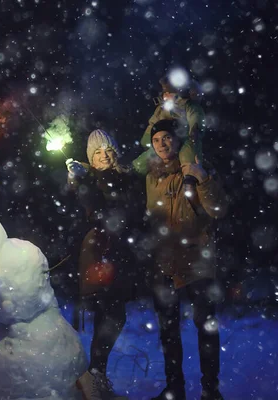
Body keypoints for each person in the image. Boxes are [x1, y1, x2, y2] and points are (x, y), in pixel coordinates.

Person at [145, 119, 228, 400]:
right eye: (156, 140)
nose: (161, 144)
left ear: (178, 140)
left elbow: (218, 209)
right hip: (165, 263)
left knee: (205, 327)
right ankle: (174, 388)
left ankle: (210, 390)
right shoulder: (152, 176)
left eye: (167, 137)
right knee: (168, 331)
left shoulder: (193, 169)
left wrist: (202, 177)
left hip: (197, 262)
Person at [66, 129, 147, 400]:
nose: (103, 156)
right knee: (109, 313)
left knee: (111, 314)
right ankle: (94, 375)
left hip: (119, 251)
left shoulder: (124, 177)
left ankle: (95, 375)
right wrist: (79, 182)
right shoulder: (87, 179)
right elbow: (92, 213)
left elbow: (126, 210)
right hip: (98, 252)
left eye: (107, 151)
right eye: (97, 152)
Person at [132, 74, 206, 186]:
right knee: (151, 155)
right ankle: (134, 172)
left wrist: (195, 130)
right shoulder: (161, 108)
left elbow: (195, 117)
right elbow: (153, 123)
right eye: (165, 93)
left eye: (169, 93)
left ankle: (190, 175)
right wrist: (147, 138)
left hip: (184, 137)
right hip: (163, 137)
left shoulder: (188, 106)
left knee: (188, 151)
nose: (166, 95)